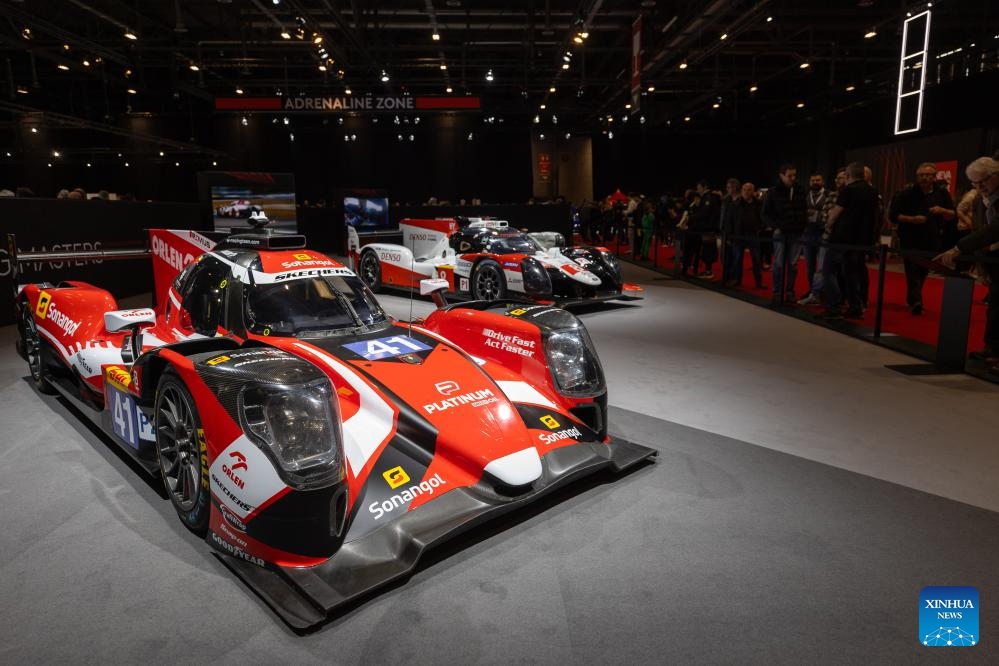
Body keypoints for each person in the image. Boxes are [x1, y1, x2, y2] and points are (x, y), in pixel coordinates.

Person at [935, 157, 999, 364]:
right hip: (993, 259)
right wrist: (981, 264)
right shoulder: (979, 199)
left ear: (996, 176)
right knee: (996, 305)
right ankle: (993, 349)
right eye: (975, 184)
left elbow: (994, 230)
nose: (979, 187)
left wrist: (958, 247)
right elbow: (980, 230)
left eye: (983, 182)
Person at [889, 162, 956, 315]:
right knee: (912, 269)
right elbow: (893, 215)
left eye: (928, 175)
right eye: (921, 175)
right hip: (909, 238)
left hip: (931, 239)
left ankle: (912, 298)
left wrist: (942, 210)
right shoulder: (907, 193)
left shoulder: (942, 193)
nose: (924, 178)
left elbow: (952, 215)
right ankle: (916, 302)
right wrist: (912, 219)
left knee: (923, 270)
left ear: (934, 177)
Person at [822, 162, 879, 319]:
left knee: (828, 270)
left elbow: (835, 213)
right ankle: (855, 307)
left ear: (848, 175)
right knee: (852, 273)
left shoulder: (848, 190)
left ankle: (834, 306)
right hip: (861, 240)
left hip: (842, 238)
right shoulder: (873, 191)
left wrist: (828, 225)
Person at [761, 164, 808, 304]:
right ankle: (777, 292)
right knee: (779, 264)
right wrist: (775, 226)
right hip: (780, 234)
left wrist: (802, 226)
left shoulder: (800, 190)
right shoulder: (773, 191)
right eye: (789, 176)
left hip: (797, 234)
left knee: (793, 266)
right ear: (781, 176)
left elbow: (804, 211)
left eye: (794, 175)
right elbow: (764, 213)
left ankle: (789, 292)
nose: (793, 178)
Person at [797, 174, 828, 305]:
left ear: (823, 182)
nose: (815, 182)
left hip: (823, 235)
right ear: (809, 182)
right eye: (813, 180)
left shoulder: (828, 195)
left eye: (818, 180)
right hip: (808, 234)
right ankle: (812, 291)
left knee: (821, 267)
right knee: (809, 266)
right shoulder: (804, 196)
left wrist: (817, 214)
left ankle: (819, 293)